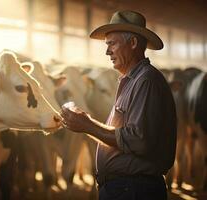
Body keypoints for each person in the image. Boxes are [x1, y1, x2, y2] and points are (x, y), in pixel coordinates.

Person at [61, 10, 177, 200]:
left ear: (132, 43)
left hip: (133, 190)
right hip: (126, 188)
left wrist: (87, 125)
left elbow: (139, 140)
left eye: (112, 44)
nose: (107, 52)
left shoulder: (146, 80)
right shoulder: (132, 81)